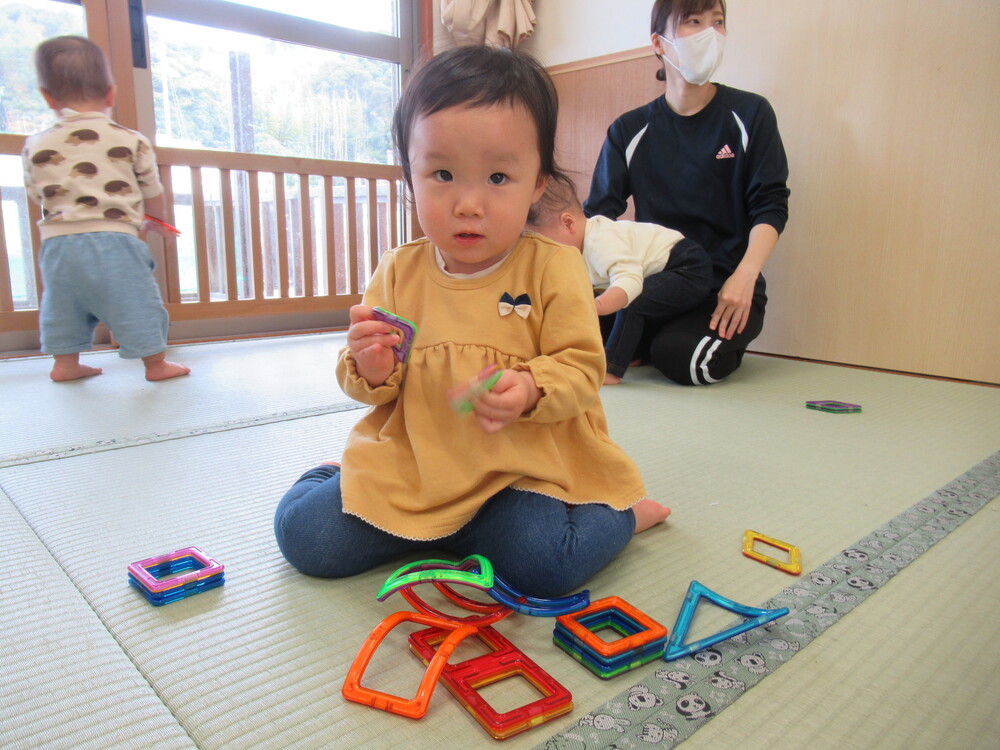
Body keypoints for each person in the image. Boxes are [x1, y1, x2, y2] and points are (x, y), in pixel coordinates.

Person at [274, 45, 670, 598]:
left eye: (498, 177)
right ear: (410, 177)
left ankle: (623, 515)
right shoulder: (398, 270)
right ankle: (337, 477)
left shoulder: (554, 266)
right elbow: (369, 387)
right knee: (306, 538)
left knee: (542, 568)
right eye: (442, 173)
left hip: (516, 474)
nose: (468, 203)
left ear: (537, 184)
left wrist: (532, 386)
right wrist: (370, 364)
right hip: (414, 466)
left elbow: (582, 369)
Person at [585, 0, 789, 386]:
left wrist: (746, 276)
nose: (710, 33)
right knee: (574, 338)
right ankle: (647, 338)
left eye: (718, 22)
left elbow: (770, 204)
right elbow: (596, 217)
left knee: (680, 359)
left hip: (725, 287)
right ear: (659, 43)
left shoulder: (751, 114)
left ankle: (665, 342)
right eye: (694, 22)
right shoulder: (630, 130)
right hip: (655, 286)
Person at [22, 36, 188, 382]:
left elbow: (38, 194)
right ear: (111, 94)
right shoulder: (129, 140)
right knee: (136, 301)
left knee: (62, 305)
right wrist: (156, 220)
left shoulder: (35, 145)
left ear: (48, 97)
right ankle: (155, 365)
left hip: (58, 243)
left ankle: (65, 364)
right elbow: (151, 189)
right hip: (115, 239)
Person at [526, 176, 712, 384]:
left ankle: (612, 370)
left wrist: (597, 306)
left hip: (688, 268)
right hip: (657, 273)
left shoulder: (601, 240)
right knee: (608, 312)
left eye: (545, 244)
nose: (543, 252)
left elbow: (630, 280)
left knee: (629, 301)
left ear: (568, 224)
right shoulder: (572, 251)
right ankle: (636, 352)